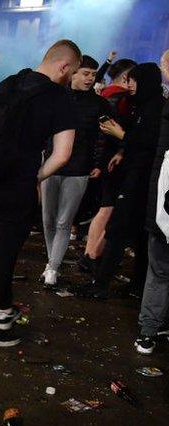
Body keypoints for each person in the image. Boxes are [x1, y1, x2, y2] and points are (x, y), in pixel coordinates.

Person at [0, 40, 80, 347]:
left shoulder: (12, 82)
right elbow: (63, 154)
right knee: (2, 258)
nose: (70, 80)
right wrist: (36, 177)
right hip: (16, 185)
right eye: (73, 73)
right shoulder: (60, 98)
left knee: (0, 250)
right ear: (64, 66)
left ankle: (3, 311)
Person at [77, 62, 166, 299]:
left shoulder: (157, 108)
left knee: (118, 229)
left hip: (143, 180)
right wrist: (121, 150)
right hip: (135, 175)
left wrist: (122, 136)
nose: (129, 85)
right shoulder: (142, 106)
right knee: (136, 234)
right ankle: (134, 286)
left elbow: (151, 143)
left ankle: (101, 285)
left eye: (134, 80)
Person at [39, 55, 108, 287]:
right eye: (86, 73)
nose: (90, 79)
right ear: (74, 73)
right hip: (51, 166)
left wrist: (100, 161)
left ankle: (53, 268)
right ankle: (51, 261)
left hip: (79, 170)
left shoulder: (99, 104)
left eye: (94, 75)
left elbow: (108, 135)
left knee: (63, 222)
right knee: (48, 219)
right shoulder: (56, 96)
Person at [80, 58, 137, 272]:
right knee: (108, 208)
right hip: (112, 161)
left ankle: (90, 253)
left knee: (105, 207)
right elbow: (112, 133)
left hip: (102, 160)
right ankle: (91, 255)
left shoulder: (104, 95)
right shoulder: (120, 99)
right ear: (126, 77)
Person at [135, 49, 169, 355]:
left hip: (162, 207)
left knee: (158, 271)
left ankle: (148, 332)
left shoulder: (162, 108)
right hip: (161, 206)